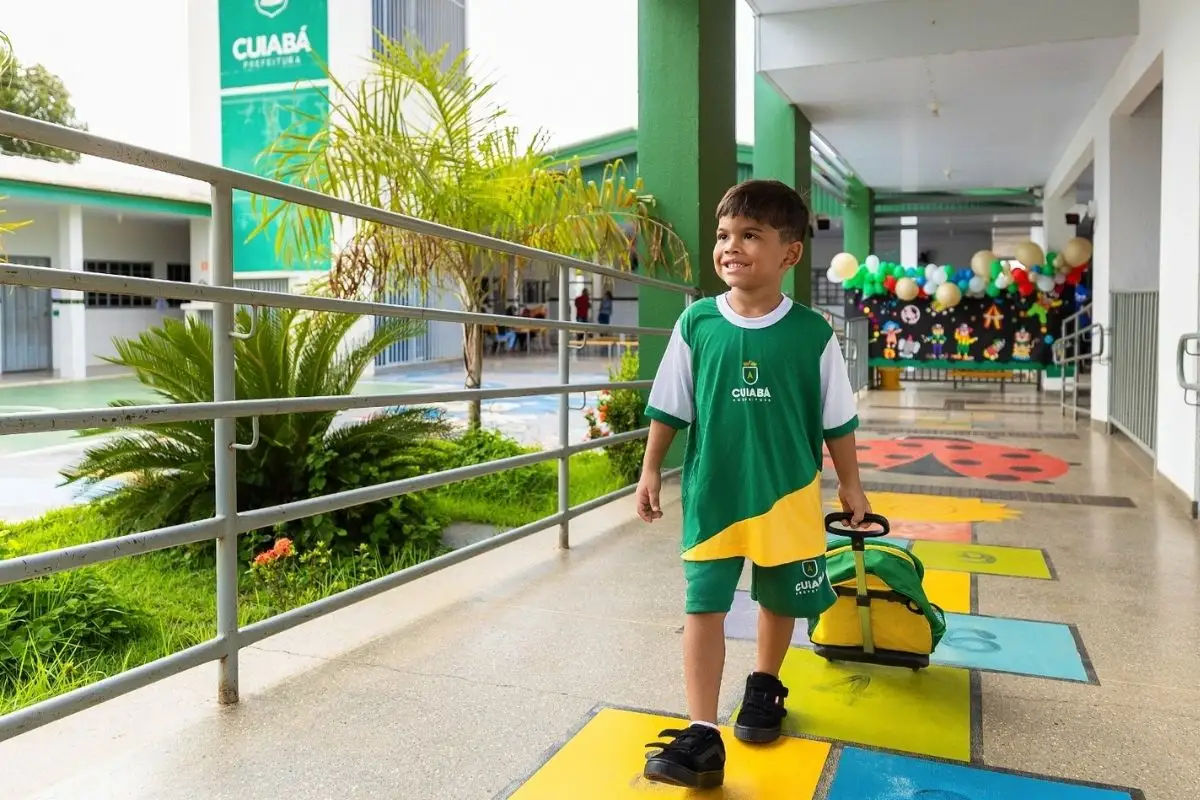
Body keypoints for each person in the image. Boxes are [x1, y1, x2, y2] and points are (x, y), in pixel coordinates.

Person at [634, 179, 871, 789]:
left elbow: (836, 418)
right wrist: (650, 470)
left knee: (779, 598)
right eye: (723, 236)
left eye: (749, 236)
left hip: (788, 494)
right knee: (703, 603)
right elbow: (669, 406)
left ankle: (764, 685)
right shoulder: (698, 322)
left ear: (789, 253)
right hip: (715, 494)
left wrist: (851, 485)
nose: (730, 247)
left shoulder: (813, 334)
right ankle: (701, 731)